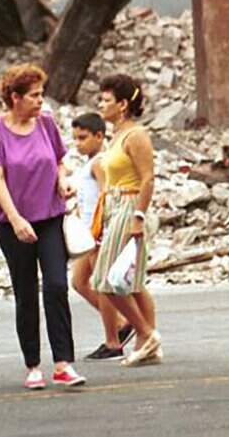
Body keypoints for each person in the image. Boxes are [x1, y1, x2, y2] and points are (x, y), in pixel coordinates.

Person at [0, 64, 86, 390]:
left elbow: (58, 161)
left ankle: (63, 362)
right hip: (14, 224)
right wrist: (15, 219)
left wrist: (62, 181)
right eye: (34, 95)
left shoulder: (46, 124)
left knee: (56, 285)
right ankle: (33, 364)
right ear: (15, 97)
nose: (40, 101)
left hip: (50, 217)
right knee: (26, 293)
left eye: (41, 94)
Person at [90, 74, 161, 367]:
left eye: (106, 100)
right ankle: (147, 342)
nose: (100, 105)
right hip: (116, 206)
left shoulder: (136, 136)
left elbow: (147, 178)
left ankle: (146, 333)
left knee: (107, 280)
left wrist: (138, 217)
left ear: (122, 105)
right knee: (130, 280)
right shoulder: (117, 136)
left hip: (131, 206)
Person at [68, 113, 134, 361]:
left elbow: (107, 194)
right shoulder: (89, 163)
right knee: (79, 282)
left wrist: (103, 228)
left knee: (101, 285)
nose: (78, 143)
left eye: (83, 138)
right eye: (75, 138)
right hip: (87, 233)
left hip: (97, 233)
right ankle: (122, 322)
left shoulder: (100, 162)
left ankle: (113, 340)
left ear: (99, 136)